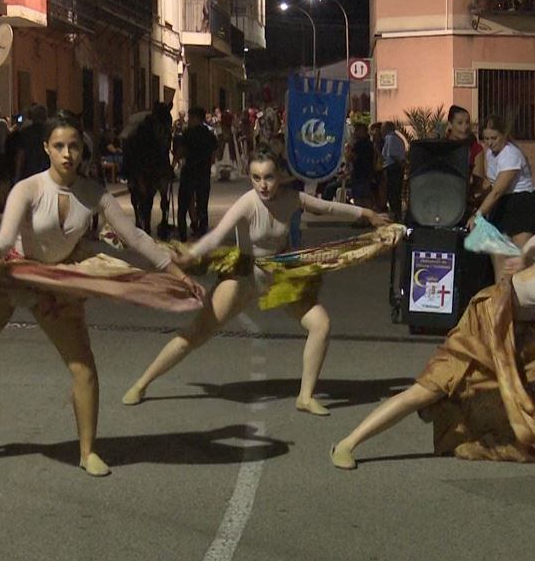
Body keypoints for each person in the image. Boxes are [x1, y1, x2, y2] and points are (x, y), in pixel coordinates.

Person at [0, 113, 195, 477]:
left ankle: (87, 451)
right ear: (46, 148)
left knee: (83, 367)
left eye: (74, 146)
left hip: (57, 283)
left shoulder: (93, 193)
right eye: (60, 146)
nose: (67, 154)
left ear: (83, 150)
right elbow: (4, 240)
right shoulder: (28, 189)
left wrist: (177, 273)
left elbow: (136, 237)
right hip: (13, 276)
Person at [122, 153, 391, 415]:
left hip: (279, 276)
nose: (262, 184)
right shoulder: (247, 203)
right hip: (244, 277)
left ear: (280, 177)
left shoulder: (292, 198)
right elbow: (217, 235)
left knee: (321, 324)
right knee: (196, 334)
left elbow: (328, 207)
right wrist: (192, 254)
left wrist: (367, 213)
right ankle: (141, 383)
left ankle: (305, 397)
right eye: (256, 177)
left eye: (269, 177)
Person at [331, 216, 535, 470]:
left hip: (520, 326)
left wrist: (524, 259)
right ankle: (348, 442)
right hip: (488, 320)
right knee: (428, 388)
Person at [467, 114, 535, 281]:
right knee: (500, 260)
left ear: (504, 136)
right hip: (503, 205)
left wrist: (478, 216)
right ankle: (500, 298)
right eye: (486, 138)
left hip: (522, 204)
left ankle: (520, 302)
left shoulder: (511, 154)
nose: (489, 142)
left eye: (494, 138)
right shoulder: (489, 154)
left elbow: (498, 190)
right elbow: (492, 185)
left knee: (518, 261)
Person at [177, 107, 217, 241]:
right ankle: (202, 232)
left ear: (195, 118)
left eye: (190, 117)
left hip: (189, 172)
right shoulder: (209, 134)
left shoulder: (188, 133)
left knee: (183, 205)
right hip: (203, 174)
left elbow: (181, 151)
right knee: (202, 204)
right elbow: (213, 156)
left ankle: (182, 234)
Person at [444, 105, 487, 213]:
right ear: (450, 125)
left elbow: (478, 183)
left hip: (465, 202)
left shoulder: (476, 149)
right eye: (460, 123)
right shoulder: (441, 146)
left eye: (467, 122)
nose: (465, 127)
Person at [13, 104, 50, 182]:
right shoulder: (51, 132)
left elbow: (21, 155)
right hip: (47, 171)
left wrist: (17, 175)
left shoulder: (25, 133)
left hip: (29, 172)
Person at [380, 121, 407, 219]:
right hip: (396, 167)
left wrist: (400, 165)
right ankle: (396, 212)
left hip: (393, 167)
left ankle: (395, 213)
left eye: (382, 128)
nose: (381, 131)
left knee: (392, 191)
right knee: (395, 191)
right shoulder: (398, 138)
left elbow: (392, 154)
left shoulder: (390, 138)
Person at [346, 122, 376, 209]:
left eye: (357, 130)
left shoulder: (358, 144)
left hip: (359, 174)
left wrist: (349, 150)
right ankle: (367, 216)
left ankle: (361, 218)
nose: (355, 132)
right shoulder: (369, 143)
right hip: (367, 173)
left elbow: (351, 158)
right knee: (366, 196)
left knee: (359, 197)